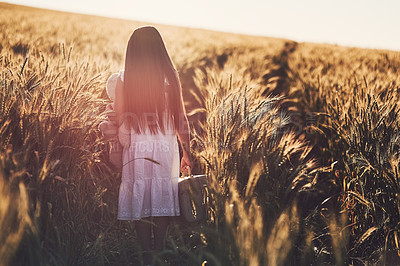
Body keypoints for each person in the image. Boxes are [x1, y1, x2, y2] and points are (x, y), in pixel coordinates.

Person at [112, 26, 192, 265]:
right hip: (165, 151)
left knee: (142, 198)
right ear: (159, 50)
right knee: (161, 198)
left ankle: (147, 255)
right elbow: (181, 119)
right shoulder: (170, 79)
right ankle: (159, 252)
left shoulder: (123, 79)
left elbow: (120, 117)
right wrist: (187, 151)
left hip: (137, 151)